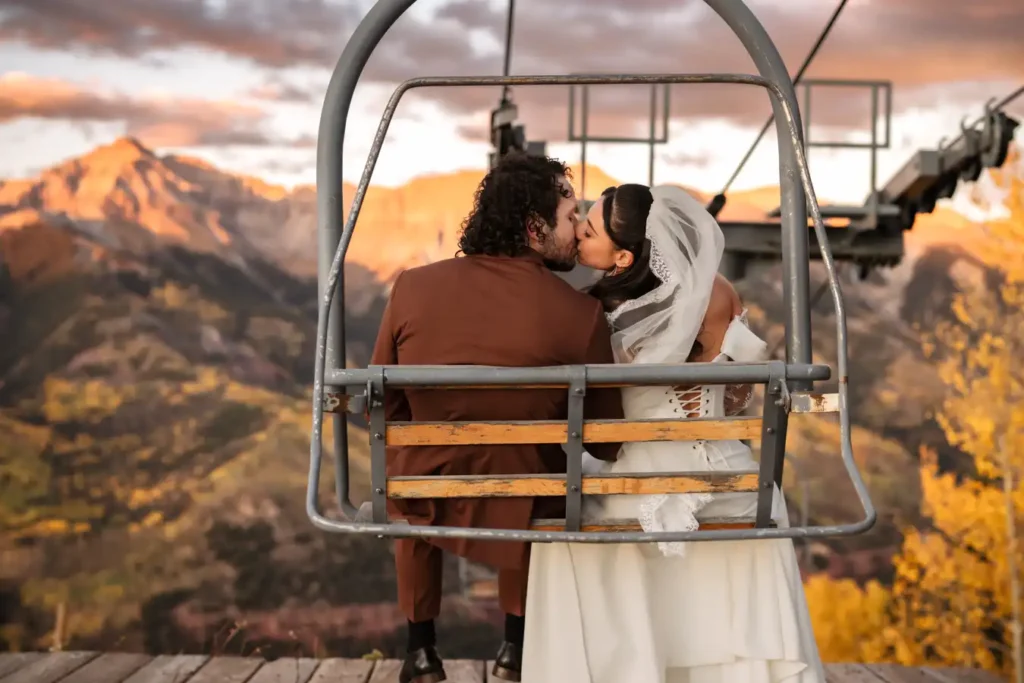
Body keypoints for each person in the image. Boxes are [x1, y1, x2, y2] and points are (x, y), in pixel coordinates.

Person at [521, 183, 825, 683]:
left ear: (622, 257)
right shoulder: (720, 292)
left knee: (563, 528)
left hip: (642, 484)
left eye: (589, 230)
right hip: (732, 479)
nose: (578, 235)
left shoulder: (600, 317)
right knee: (765, 495)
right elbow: (734, 400)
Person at [369, 153, 624, 683]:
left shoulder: (413, 286)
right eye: (571, 216)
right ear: (535, 227)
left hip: (426, 485)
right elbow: (604, 440)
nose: (578, 231)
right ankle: (516, 646)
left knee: (408, 470)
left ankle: (421, 650)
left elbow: (383, 402)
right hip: (527, 495)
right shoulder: (581, 314)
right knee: (540, 477)